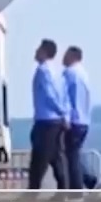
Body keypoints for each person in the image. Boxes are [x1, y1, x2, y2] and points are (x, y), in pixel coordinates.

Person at [28, 39, 69, 191]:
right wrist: (64, 115)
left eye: (39, 49)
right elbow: (64, 96)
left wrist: (60, 111)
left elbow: (49, 94)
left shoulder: (43, 70)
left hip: (46, 120)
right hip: (55, 121)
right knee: (55, 156)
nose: (36, 51)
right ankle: (63, 188)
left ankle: (33, 189)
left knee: (40, 157)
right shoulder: (58, 72)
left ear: (45, 52)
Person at [61, 46, 99, 191]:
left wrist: (67, 118)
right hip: (84, 120)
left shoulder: (69, 73)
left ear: (73, 56)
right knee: (74, 153)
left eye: (66, 55)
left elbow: (66, 98)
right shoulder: (83, 73)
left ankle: (76, 187)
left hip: (73, 120)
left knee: (71, 156)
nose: (63, 58)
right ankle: (89, 180)